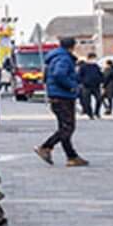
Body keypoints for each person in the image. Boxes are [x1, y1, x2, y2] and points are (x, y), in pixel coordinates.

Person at [36, 37, 87, 166]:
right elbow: (59, 74)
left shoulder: (55, 57)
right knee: (67, 127)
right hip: (63, 96)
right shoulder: (64, 58)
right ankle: (46, 147)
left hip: (57, 95)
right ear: (72, 47)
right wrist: (72, 86)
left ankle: (72, 156)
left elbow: (48, 75)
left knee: (64, 128)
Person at [78, 53, 103, 119]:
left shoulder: (96, 66)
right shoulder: (83, 66)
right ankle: (90, 114)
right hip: (86, 86)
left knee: (99, 99)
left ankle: (97, 112)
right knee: (87, 101)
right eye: (93, 58)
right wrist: (82, 82)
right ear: (89, 58)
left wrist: (100, 81)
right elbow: (79, 76)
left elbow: (100, 74)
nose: (94, 60)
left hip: (96, 86)